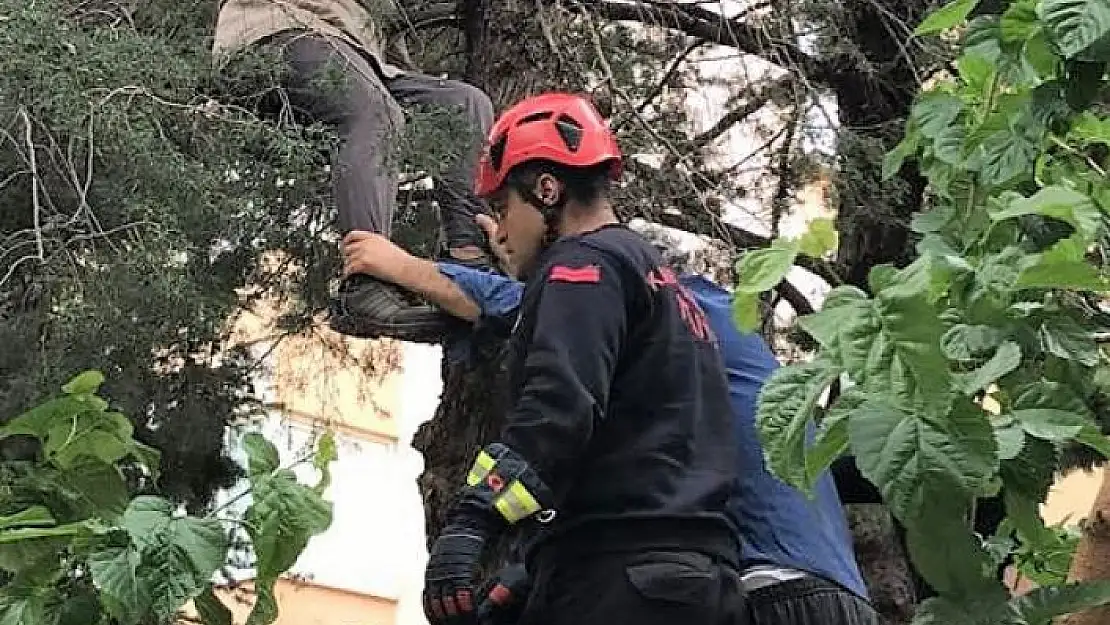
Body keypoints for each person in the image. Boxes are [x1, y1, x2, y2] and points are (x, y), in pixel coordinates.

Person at [343, 216, 881, 625]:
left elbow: (533, 306)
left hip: (766, 588)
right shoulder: (728, 332)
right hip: (841, 594)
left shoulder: (655, 307)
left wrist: (397, 263)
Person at [387, 92, 747, 625]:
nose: (501, 233)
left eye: (502, 208)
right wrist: (528, 569)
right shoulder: (662, 282)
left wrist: (472, 518)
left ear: (546, 189)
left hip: (620, 578)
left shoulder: (582, 266)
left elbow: (558, 409)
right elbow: (640, 448)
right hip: (697, 582)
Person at [211, 0, 495, 342]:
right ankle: (366, 283)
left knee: (463, 105)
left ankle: (467, 263)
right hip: (275, 29)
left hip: (357, 54)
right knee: (378, 114)